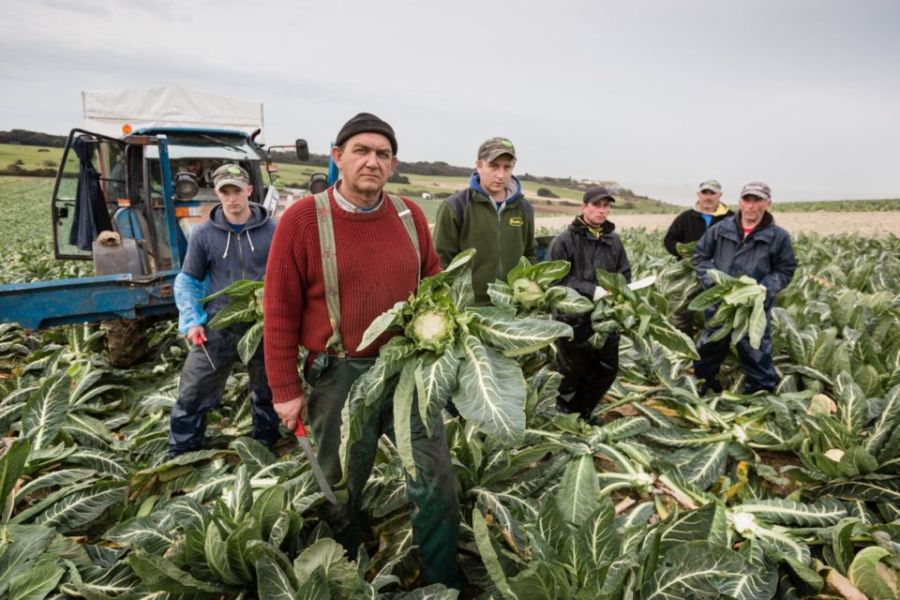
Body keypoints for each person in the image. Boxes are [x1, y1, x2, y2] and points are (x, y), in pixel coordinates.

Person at [262, 113, 460, 588]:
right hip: (339, 375)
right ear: (338, 158)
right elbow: (279, 308)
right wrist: (285, 388)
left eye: (382, 154)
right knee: (339, 489)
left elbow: (433, 282)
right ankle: (345, 576)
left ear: (392, 164)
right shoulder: (303, 219)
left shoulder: (411, 217)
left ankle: (441, 582)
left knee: (435, 482)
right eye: (361, 151)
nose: (372, 161)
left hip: (406, 371)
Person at [168, 163, 280, 456]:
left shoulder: (274, 230)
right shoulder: (203, 234)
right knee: (194, 389)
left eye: (237, 190)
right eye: (225, 191)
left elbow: (289, 276)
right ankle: (182, 451)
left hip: (262, 323)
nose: (232, 198)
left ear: (249, 190)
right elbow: (189, 281)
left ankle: (266, 446)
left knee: (268, 388)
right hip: (219, 322)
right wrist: (192, 321)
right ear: (217, 193)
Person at [693, 182, 796, 395]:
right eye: (747, 200)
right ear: (740, 202)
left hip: (753, 305)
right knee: (711, 344)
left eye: (757, 200)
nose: (751, 206)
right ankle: (703, 386)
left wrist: (765, 287)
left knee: (755, 350)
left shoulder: (778, 237)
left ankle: (760, 394)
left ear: (768, 203)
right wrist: (714, 281)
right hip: (720, 301)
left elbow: (785, 269)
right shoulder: (721, 229)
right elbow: (700, 257)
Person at [549, 186, 631, 421]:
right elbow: (556, 278)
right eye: (596, 205)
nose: (601, 210)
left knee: (606, 369)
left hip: (605, 319)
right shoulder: (564, 241)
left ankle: (584, 412)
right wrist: (590, 290)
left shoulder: (613, 241)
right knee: (572, 372)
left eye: (606, 206)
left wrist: (619, 292)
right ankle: (565, 415)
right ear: (584, 207)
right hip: (572, 319)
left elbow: (624, 273)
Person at [432, 137, 537, 304]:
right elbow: (440, 260)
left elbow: (529, 254)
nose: (500, 175)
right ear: (479, 165)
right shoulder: (455, 206)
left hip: (512, 307)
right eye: (493, 166)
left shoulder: (524, 209)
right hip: (470, 309)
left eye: (507, 167)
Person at [663, 179, 732, 257]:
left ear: (720, 195)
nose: (708, 197)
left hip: (720, 267)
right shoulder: (685, 217)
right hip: (690, 265)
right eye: (704, 193)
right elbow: (669, 240)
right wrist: (680, 250)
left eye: (712, 193)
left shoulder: (731, 218)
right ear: (698, 194)